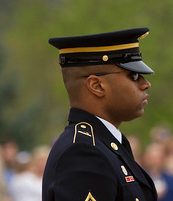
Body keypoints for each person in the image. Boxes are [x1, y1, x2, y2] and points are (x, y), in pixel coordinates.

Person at [42, 28, 158, 201]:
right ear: (96, 86)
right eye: (133, 75)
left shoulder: (105, 145)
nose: (145, 84)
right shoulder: (83, 154)